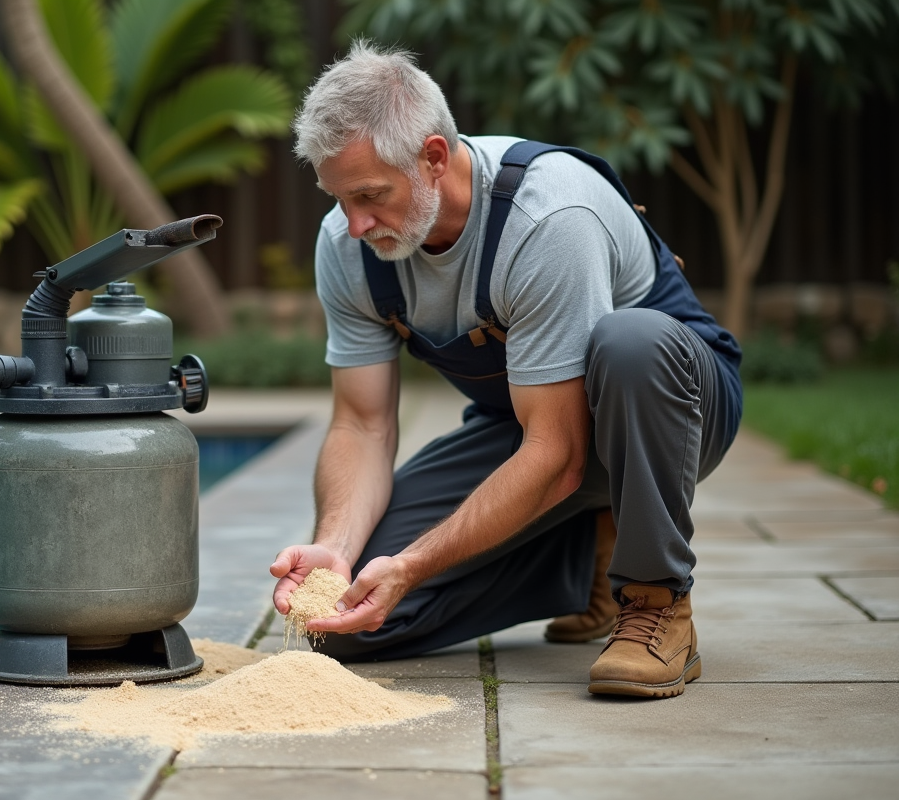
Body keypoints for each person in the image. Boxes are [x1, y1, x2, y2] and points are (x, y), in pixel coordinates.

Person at [268, 41, 743, 699]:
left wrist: (415, 564)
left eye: (370, 196)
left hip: (673, 409)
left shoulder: (548, 216)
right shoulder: (347, 245)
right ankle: (583, 553)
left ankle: (655, 600)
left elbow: (560, 454)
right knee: (342, 620)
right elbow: (361, 424)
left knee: (630, 345)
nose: (353, 224)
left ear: (434, 157)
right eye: (339, 198)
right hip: (533, 430)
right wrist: (336, 551)